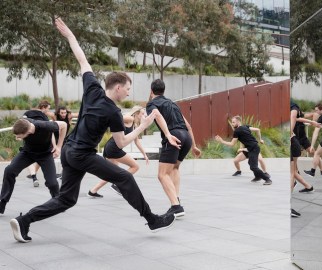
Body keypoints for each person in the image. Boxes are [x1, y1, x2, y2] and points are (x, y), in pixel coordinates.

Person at [9, 18, 178, 243]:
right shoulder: (113, 112)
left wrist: (70, 36)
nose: (128, 93)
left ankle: (24, 221)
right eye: (127, 89)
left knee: (67, 199)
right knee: (124, 178)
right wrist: (144, 126)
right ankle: (152, 219)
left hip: (69, 150)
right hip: (82, 154)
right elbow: (121, 143)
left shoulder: (92, 89)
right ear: (118, 88)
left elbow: (82, 59)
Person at [146, 79, 201, 218]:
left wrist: (168, 134)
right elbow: (188, 125)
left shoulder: (152, 104)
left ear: (151, 91)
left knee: (162, 174)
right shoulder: (173, 103)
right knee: (175, 168)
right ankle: (176, 199)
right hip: (186, 137)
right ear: (164, 91)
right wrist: (194, 145)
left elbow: (157, 115)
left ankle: (176, 207)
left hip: (174, 136)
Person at [0, 118, 66, 215]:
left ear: (28, 131)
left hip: (45, 155)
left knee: (52, 183)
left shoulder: (45, 125)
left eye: (19, 136)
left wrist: (59, 146)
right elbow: (19, 126)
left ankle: (58, 203)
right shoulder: (24, 123)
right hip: (27, 153)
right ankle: (2, 202)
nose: (17, 138)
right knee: (9, 170)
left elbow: (64, 125)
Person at [88, 106, 149, 198]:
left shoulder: (135, 125)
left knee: (112, 173)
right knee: (135, 166)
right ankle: (118, 184)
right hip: (114, 148)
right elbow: (115, 116)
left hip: (112, 147)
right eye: (142, 113)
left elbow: (136, 141)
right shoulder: (130, 118)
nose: (144, 115)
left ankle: (93, 191)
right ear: (136, 113)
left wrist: (144, 154)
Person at [215, 116, 272, 185]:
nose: (232, 124)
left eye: (233, 122)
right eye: (232, 122)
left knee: (253, 166)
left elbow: (232, 144)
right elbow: (258, 130)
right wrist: (260, 139)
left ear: (238, 122)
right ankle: (257, 176)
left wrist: (222, 141)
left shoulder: (237, 131)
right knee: (250, 164)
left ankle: (267, 179)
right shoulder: (246, 127)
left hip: (253, 148)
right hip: (250, 148)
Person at [290, 101, 322, 176]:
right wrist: (312, 121)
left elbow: (304, 115)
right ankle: (296, 171)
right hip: (294, 136)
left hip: (302, 136)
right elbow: (297, 119)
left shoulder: (295, 109)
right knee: (294, 156)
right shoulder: (290, 113)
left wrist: (313, 114)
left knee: (313, 151)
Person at [25, 100, 53, 187]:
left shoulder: (40, 115)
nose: (48, 111)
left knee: (33, 159)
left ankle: (34, 176)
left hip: (35, 142)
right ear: (43, 107)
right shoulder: (43, 117)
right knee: (32, 158)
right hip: (34, 142)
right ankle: (34, 177)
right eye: (48, 109)